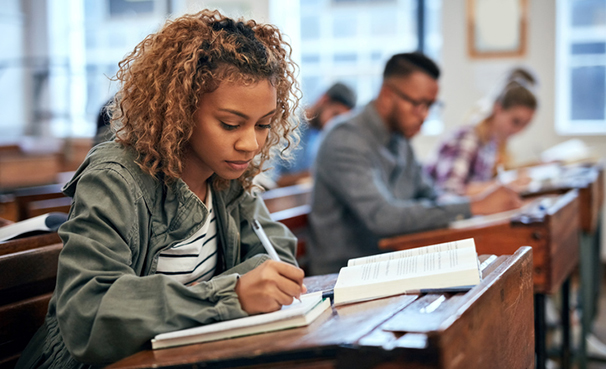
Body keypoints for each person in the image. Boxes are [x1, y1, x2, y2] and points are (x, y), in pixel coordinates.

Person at [16, 9, 305, 368]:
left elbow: (276, 257)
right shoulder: (115, 178)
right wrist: (230, 294)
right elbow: (89, 314)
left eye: (263, 124)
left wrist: (241, 289)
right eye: (230, 124)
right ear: (181, 109)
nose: (251, 144)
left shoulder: (227, 177)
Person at [307, 52, 523, 275]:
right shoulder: (344, 139)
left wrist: (471, 205)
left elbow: (429, 194)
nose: (424, 115)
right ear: (387, 94)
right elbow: (384, 218)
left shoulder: (399, 139)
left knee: (488, 269)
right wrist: (475, 206)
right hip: (343, 276)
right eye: (418, 104)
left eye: (430, 105)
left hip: (392, 262)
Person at [424, 68, 538, 196]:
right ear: (498, 108)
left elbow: (480, 184)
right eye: (516, 121)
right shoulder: (467, 137)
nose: (519, 131)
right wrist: (505, 185)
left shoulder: (491, 142)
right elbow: (449, 192)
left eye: (525, 125)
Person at [269, 82, 356, 187]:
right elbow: (269, 180)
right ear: (324, 100)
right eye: (335, 115)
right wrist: (313, 174)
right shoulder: (284, 126)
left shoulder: (322, 136)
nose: (334, 124)